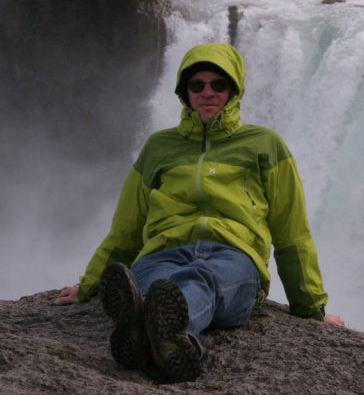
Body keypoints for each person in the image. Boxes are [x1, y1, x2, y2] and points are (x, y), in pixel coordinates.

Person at [55, 42, 343, 382]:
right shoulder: (159, 147)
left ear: (234, 90)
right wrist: (90, 284)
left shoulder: (265, 144)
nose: (208, 92)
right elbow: (127, 227)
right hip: (164, 250)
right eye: (197, 85)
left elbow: (291, 231)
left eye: (218, 84)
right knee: (151, 280)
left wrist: (310, 308)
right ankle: (163, 335)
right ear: (184, 92)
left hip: (235, 256)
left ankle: (153, 328)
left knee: (202, 279)